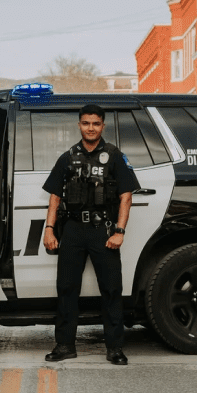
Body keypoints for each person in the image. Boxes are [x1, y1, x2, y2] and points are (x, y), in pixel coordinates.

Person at [42, 105, 140, 366]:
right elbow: (55, 195)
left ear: (102, 126)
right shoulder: (68, 157)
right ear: (79, 125)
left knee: (111, 289)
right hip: (72, 229)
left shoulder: (115, 156)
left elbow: (126, 196)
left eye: (96, 123)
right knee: (66, 288)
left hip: (102, 230)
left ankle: (115, 348)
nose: (90, 128)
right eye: (86, 123)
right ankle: (64, 345)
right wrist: (49, 229)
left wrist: (120, 231)